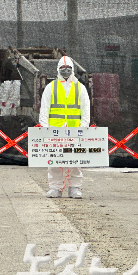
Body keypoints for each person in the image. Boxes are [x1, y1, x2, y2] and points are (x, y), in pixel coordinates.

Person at [39, 56, 90, 199]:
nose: (66, 71)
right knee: (54, 161)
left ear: (73, 70)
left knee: (75, 161)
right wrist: (45, 129)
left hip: (75, 131)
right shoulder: (51, 87)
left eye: (68, 69)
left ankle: (75, 188)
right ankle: (55, 188)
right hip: (55, 132)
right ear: (58, 70)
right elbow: (44, 111)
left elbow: (86, 111)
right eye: (63, 69)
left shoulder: (80, 88)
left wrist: (83, 128)